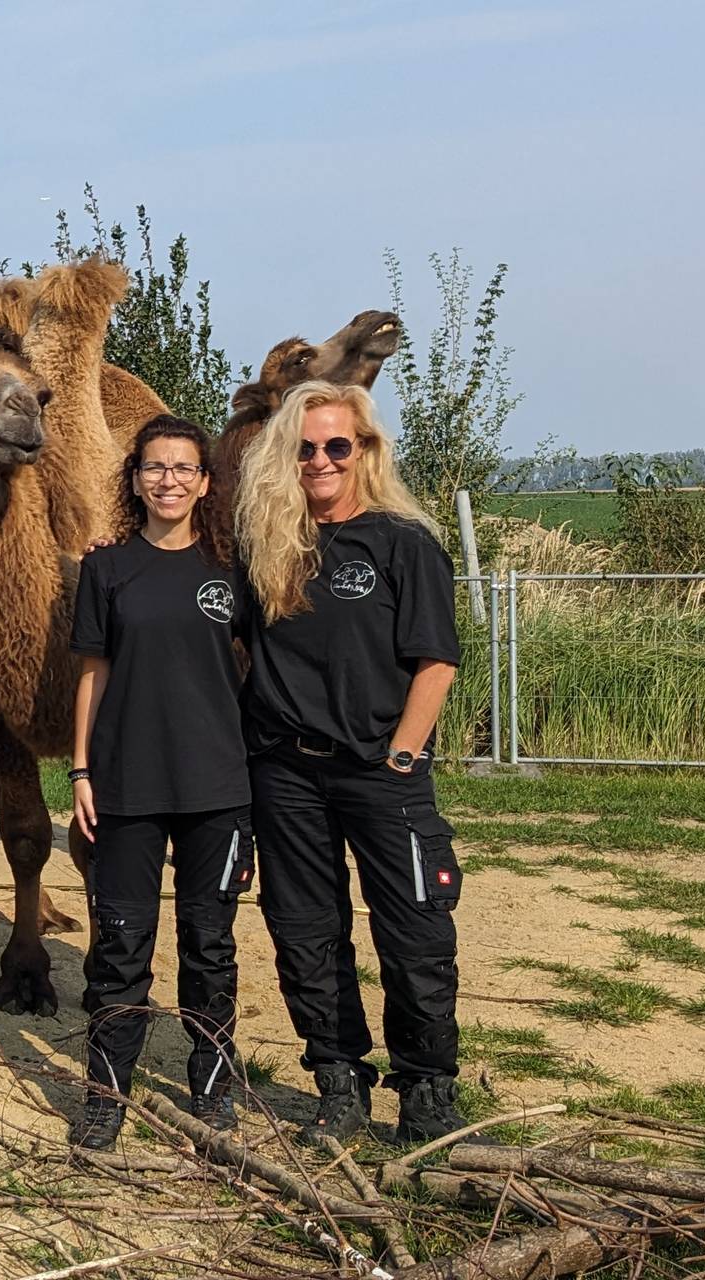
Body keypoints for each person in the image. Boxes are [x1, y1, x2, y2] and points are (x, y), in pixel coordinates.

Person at [230, 381, 468, 1148]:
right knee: (305, 930)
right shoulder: (266, 545)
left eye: (338, 445)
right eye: (305, 448)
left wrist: (403, 753)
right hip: (285, 772)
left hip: (381, 770)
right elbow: (190, 596)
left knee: (416, 930)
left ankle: (427, 1088)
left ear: (365, 449)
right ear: (284, 457)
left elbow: (435, 662)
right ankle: (339, 1082)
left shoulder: (403, 542)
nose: (322, 460)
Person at [66, 415, 255, 1151]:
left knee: (210, 941)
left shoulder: (229, 571)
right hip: (126, 781)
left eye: (183, 468)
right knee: (119, 944)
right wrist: (81, 768)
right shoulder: (106, 570)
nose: (168, 479)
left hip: (218, 784)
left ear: (205, 482)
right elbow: (92, 673)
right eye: (154, 467)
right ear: (134, 478)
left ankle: (211, 1085)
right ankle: (106, 1093)